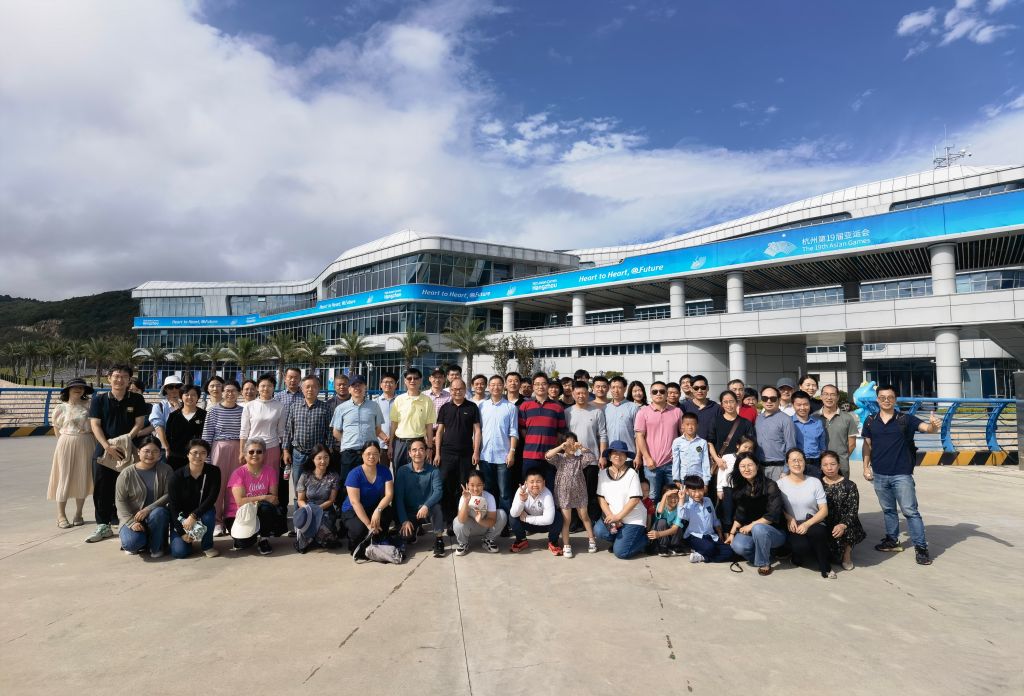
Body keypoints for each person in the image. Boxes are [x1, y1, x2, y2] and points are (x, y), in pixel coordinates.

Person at [862, 384, 941, 565]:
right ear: (877, 400)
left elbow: (927, 428)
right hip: (879, 474)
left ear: (895, 399)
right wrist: (865, 467)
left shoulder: (906, 419)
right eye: (882, 397)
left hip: (902, 475)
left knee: (910, 511)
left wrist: (933, 426)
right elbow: (867, 445)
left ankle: (921, 548)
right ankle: (892, 540)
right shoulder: (870, 420)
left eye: (890, 397)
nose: (886, 400)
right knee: (889, 510)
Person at [87, 364, 147, 543]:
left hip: (128, 449)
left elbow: (139, 423)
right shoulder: (99, 399)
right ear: (109, 378)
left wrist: (126, 440)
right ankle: (103, 525)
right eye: (116, 376)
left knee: (130, 487)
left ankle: (128, 521)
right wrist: (107, 446)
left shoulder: (136, 399)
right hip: (104, 450)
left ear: (129, 380)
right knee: (102, 488)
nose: (120, 380)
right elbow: (95, 424)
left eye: (124, 377)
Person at [778, 448, 834, 579]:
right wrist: (788, 518)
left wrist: (807, 524)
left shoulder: (814, 482)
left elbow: (824, 510)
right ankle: (797, 557)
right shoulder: (780, 484)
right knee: (801, 547)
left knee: (818, 532)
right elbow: (778, 508)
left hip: (813, 521)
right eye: (793, 460)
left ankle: (825, 567)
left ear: (805, 462)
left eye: (800, 460)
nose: (797, 463)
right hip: (793, 524)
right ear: (787, 463)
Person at [727, 453, 786, 575]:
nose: (746, 469)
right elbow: (740, 513)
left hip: (775, 532)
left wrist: (751, 525)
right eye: (742, 466)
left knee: (759, 528)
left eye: (750, 465)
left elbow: (773, 514)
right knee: (738, 546)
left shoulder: (770, 485)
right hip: (752, 532)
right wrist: (732, 533)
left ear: (757, 466)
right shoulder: (741, 487)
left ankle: (764, 563)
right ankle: (765, 555)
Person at [240, 374, 287, 524]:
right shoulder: (249, 406)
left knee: (270, 483)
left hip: (272, 448)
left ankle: (269, 519)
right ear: (257, 388)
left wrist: (284, 450)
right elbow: (244, 431)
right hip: (252, 450)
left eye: (269, 386)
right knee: (252, 482)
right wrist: (242, 451)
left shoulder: (279, 406)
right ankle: (251, 518)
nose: (266, 388)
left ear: (274, 388)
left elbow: (282, 432)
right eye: (262, 386)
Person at [115, 436, 173, 558]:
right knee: (132, 544)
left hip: (155, 516)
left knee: (159, 512)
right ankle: (143, 539)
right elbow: (120, 501)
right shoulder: (126, 474)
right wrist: (131, 522)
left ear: (160, 453)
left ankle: (156, 547)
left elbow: (169, 494)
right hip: (132, 517)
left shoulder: (166, 470)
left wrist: (148, 509)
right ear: (138, 451)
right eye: (146, 451)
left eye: (155, 451)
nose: (150, 455)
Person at [331, 375, 387, 502]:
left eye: (360, 385)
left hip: (370, 453)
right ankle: (346, 511)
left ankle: (371, 509)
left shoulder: (374, 406)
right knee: (347, 484)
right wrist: (348, 441)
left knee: (371, 483)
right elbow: (336, 432)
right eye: (354, 385)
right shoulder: (341, 408)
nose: (357, 388)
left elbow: (377, 430)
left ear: (365, 387)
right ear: (349, 389)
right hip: (349, 453)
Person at [49, 378, 95, 528]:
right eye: (75, 387)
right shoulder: (60, 408)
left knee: (83, 476)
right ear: (68, 390)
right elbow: (57, 429)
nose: (78, 389)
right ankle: (61, 515)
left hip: (87, 442)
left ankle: (78, 513)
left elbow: (95, 425)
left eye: (82, 387)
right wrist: (65, 442)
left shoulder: (90, 405)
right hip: (66, 442)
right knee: (64, 477)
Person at [435, 378, 481, 527]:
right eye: (454, 389)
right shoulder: (445, 408)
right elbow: (439, 432)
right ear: (450, 390)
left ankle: (461, 517)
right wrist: (437, 453)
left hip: (466, 454)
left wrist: (476, 452)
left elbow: (477, 431)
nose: (457, 392)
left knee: (463, 485)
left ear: (465, 390)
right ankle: (448, 519)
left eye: (460, 389)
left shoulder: (472, 407)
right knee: (446, 484)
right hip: (446, 453)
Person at [282, 374, 332, 512]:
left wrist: (330, 449)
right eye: (307, 387)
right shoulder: (294, 407)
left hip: (318, 456)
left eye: (314, 387)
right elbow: (288, 430)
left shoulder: (325, 408)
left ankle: (317, 514)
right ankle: (299, 517)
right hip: (298, 453)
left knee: (318, 485)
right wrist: (285, 450)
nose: (310, 389)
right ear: (302, 389)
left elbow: (330, 431)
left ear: (319, 389)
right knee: (299, 486)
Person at [201, 378, 244, 536]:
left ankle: (232, 520)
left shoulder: (243, 411)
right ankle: (217, 522)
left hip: (238, 449)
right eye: (227, 391)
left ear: (238, 393)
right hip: (219, 448)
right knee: (217, 486)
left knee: (235, 486)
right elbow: (207, 434)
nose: (230, 394)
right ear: (222, 392)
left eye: (233, 391)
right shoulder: (213, 411)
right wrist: (206, 458)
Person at [226, 437, 283, 554]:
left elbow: (273, 499)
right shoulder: (238, 473)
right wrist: (263, 497)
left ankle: (264, 539)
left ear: (264, 454)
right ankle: (248, 537)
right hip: (240, 513)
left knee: (267, 508)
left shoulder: (270, 471)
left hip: (259, 510)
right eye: (251, 452)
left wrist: (264, 500)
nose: (255, 454)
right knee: (244, 544)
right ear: (245, 454)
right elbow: (240, 502)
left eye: (259, 451)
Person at [546, 433, 598, 557]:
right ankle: (566, 545)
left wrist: (582, 448)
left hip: (580, 493)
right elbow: (547, 455)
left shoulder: (580, 459)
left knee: (584, 516)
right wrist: (561, 447)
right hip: (564, 494)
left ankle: (592, 540)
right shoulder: (559, 458)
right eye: (568, 443)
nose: (570, 446)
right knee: (567, 520)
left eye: (573, 442)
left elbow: (592, 457)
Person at [167, 438, 221, 559]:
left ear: (207, 455)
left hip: (202, 512)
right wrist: (182, 533)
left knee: (209, 514)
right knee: (179, 553)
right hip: (182, 518)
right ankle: (188, 540)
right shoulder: (176, 477)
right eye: (194, 452)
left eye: (203, 453)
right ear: (187, 454)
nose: (198, 456)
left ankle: (207, 545)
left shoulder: (214, 472)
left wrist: (193, 516)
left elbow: (212, 498)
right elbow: (173, 507)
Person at [594, 440, 647, 559]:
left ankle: (646, 539)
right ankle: (623, 541)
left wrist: (618, 517)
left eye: (622, 453)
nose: (618, 456)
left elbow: (634, 500)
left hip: (633, 519)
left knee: (621, 553)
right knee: (599, 530)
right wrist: (611, 516)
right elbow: (601, 498)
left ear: (626, 457)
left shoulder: (632, 473)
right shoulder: (603, 473)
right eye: (615, 453)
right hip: (614, 517)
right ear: (609, 456)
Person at [478, 375, 518, 529]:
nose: (496, 387)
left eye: (499, 384)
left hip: (503, 456)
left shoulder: (510, 407)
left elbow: (513, 432)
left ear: (504, 387)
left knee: (504, 493)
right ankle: (490, 522)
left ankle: (504, 524)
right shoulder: (482, 406)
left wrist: (512, 452)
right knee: (488, 491)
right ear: (489, 387)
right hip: (485, 455)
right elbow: (477, 431)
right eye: (493, 384)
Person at [341, 441, 395, 555]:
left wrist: (378, 510)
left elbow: (389, 495)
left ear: (379, 455)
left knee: (388, 512)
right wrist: (368, 525)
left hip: (372, 507)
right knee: (360, 529)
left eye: (375, 454)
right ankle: (354, 539)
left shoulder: (384, 470)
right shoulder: (354, 474)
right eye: (368, 453)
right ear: (362, 455)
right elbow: (355, 502)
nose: (372, 456)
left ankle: (380, 537)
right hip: (353, 510)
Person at [394, 439, 445, 557]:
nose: (418, 453)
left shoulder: (434, 471)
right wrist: (404, 520)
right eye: (414, 450)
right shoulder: (402, 471)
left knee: (437, 508)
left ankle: (439, 540)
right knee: (406, 536)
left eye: (421, 449)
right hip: (410, 512)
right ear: (409, 453)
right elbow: (399, 498)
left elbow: (438, 492)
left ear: (426, 452)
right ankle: (414, 529)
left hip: (427, 510)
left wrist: (426, 505)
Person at [564, 380, 607, 522]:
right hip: (572, 459)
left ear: (588, 394)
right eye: (578, 393)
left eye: (584, 393)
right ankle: (576, 522)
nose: (581, 396)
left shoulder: (597, 412)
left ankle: (591, 520)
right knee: (572, 491)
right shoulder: (567, 412)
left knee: (590, 491)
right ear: (573, 394)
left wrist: (602, 456)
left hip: (591, 459)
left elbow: (602, 435)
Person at [518, 372, 566, 491]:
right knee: (529, 488)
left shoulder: (557, 407)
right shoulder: (525, 406)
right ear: (533, 386)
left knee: (550, 488)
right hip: (530, 455)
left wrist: (554, 449)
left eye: (544, 384)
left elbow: (561, 431)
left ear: (548, 386)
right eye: (537, 384)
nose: (540, 386)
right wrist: (532, 440)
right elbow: (522, 428)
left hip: (551, 456)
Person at [635, 380, 682, 500]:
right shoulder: (643, 412)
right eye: (655, 391)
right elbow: (639, 437)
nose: (658, 394)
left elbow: (683, 435)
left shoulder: (677, 411)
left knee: (674, 496)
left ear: (666, 394)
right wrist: (647, 458)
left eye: (662, 391)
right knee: (652, 497)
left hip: (672, 463)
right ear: (650, 394)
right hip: (651, 464)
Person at [821, 450, 865, 570]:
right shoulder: (817, 484)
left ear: (839, 465)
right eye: (825, 465)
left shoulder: (850, 485)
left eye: (833, 464)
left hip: (844, 522)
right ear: (821, 467)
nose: (829, 468)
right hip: (825, 521)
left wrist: (842, 525)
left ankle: (847, 554)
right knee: (832, 557)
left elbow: (853, 510)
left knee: (849, 526)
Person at [708, 389, 755, 496]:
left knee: (741, 497)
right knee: (723, 498)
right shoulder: (715, 421)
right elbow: (710, 442)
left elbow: (750, 445)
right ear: (721, 404)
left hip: (741, 466)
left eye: (731, 401)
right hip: (722, 466)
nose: (729, 405)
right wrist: (717, 460)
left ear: (737, 402)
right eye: (725, 402)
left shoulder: (745, 423)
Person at [294, 444, 341, 551]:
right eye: (319, 458)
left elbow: (331, 500)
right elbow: (300, 500)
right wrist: (309, 510)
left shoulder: (334, 476)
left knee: (326, 533)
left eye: (326, 457)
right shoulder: (305, 475)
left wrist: (318, 509)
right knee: (306, 523)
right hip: (308, 509)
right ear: (313, 459)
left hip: (325, 509)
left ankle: (319, 538)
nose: (323, 461)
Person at [679, 475, 734, 563]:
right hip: (695, 536)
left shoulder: (708, 500)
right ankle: (704, 552)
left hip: (711, 536)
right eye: (693, 491)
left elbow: (714, 518)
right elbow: (681, 515)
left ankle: (703, 557)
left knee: (730, 551)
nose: (697, 494)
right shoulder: (687, 505)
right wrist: (681, 499)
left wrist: (720, 533)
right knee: (709, 548)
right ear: (687, 491)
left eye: (700, 490)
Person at [390, 368, 437, 470]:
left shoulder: (427, 401)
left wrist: (429, 448)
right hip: (400, 444)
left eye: (416, 378)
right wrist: (390, 446)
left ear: (420, 380)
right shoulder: (399, 400)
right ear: (405, 381)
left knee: (419, 474)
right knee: (399, 473)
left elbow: (429, 427)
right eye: (409, 378)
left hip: (418, 443)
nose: (412, 380)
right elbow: (394, 424)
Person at [509, 467, 563, 554]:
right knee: (513, 516)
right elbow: (514, 514)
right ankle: (521, 540)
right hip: (528, 525)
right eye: (532, 482)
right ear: (526, 483)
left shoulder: (547, 494)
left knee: (558, 517)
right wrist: (522, 501)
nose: (535, 485)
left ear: (544, 483)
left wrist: (527, 518)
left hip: (544, 525)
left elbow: (549, 520)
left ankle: (553, 542)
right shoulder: (521, 491)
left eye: (538, 481)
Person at [453, 471, 507, 555]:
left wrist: (480, 520)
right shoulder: (464, 497)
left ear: (484, 485)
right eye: (472, 485)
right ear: (467, 485)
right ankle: (463, 543)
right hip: (470, 527)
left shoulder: (489, 497)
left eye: (479, 485)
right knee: (457, 521)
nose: (475, 489)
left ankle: (488, 540)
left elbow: (492, 520)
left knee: (502, 514)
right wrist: (466, 501)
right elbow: (461, 520)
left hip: (484, 525)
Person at [816, 384, 859, 478]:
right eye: (826, 394)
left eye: (833, 394)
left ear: (838, 397)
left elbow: (852, 444)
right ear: (821, 396)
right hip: (818, 465)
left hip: (841, 466)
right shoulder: (813, 417)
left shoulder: (847, 418)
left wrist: (839, 459)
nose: (829, 397)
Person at [754, 385, 795, 481]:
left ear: (779, 399)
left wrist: (786, 470)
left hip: (778, 469)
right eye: (765, 398)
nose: (768, 401)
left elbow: (791, 446)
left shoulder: (786, 419)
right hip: (759, 467)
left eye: (773, 398)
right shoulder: (758, 418)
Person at [716, 436, 755, 531]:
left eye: (750, 448)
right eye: (745, 447)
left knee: (740, 512)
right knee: (727, 512)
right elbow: (721, 473)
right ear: (738, 445)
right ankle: (726, 533)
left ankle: (737, 532)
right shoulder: (727, 457)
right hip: (728, 489)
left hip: (742, 489)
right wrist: (719, 489)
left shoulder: (750, 459)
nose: (747, 450)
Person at [164, 384, 206, 470]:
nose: (190, 397)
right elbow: (167, 435)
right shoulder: (174, 416)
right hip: (176, 457)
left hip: (197, 457)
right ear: (181, 397)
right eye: (186, 394)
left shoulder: (204, 415)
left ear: (198, 397)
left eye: (193, 395)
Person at [791, 390, 827, 477]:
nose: (802, 408)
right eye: (799, 405)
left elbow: (822, 446)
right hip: (795, 462)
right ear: (793, 405)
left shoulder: (818, 423)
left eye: (806, 404)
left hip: (815, 463)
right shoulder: (788, 422)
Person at [672, 412, 711, 486]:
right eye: (687, 424)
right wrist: (676, 479)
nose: (690, 427)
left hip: (698, 478)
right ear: (682, 426)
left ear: (697, 426)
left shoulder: (702, 442)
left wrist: (706, 482)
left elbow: (705, 462)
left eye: (693, 424)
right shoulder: (677, 442)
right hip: (683, 478)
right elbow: (676, 461)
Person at [680, 374, 721, 441]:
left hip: (711, 446)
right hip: (689, 445)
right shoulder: (684, 407)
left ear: (707, 388)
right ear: (691, 389)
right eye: (696, 388)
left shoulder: (716, 407)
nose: (699, 391)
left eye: (703, 387)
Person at [150, 375, 184, 456]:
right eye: (171, 387)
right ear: (165, 389)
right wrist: (166, 447)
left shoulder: (186, 406)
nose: (174, 389)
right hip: (163, 448)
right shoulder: (158, 406)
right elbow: (158, 427)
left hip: (182, 446)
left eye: (177, 386)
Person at [604, 377, 640, 453]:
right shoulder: (606, 408)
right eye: (613, 387)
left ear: (625, 388)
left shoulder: (633, 407)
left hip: (629, 453)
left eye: (619, 387)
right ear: (610, 388)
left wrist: (638, 455)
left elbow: (638, 434)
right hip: (611, 454)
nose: (616, 391)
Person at [647, 487, 685, 557]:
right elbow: (660, 511)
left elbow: (675, 529)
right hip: (658, 536)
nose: (673, 499)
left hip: (666, 534)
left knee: (679, 526)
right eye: (669, 496)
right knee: (662, 521)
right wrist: (665, 495)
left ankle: (675, 546)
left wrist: (659, 534)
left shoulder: (679, 509)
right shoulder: (660, 504)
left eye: (675, 497)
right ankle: (663, 546)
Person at [325, 373, 352, 459]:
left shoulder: (356, 402)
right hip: (335, 447)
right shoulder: (329, 404)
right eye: (339, 385)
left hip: (353, 446)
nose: (342, 387)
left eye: (344, 384)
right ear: (334, 386)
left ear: (349, 385)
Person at [374, 372, 399, 466]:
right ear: (381, 385)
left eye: (391, 382)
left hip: (398, 443)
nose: (388, 384)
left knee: (399, 470)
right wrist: (385, 438)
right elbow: (373, 423)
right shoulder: (375, 402)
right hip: (381, 444)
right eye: (385, 382)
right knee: (381, 471)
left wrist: (393, 439)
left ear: (396, 385)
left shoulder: (401, 401)